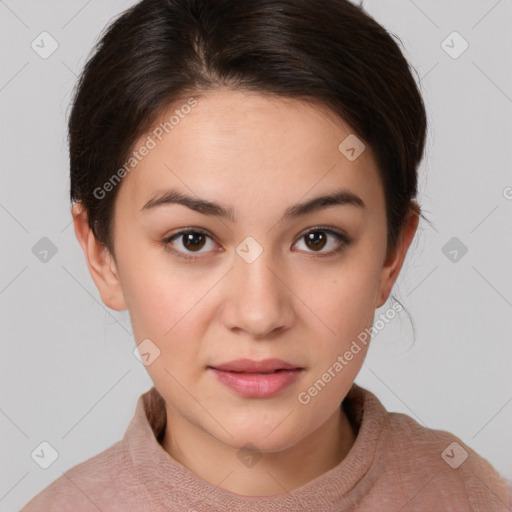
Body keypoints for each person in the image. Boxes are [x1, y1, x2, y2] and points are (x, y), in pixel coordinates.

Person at [20, 0, 512, 510]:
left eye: (318, 239)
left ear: (393, 253)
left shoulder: (475, 496)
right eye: (192, 239)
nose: (259, 315)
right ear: (101, 254)